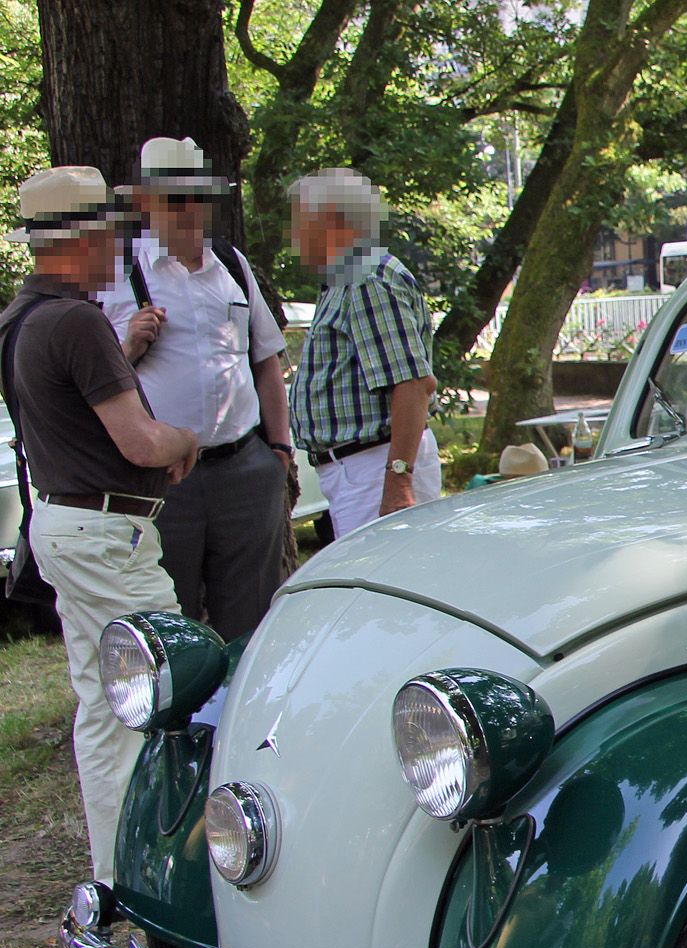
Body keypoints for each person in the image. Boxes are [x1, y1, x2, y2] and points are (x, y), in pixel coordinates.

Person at [0, 167, 198, 881]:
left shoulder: (19, 319)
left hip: (64, 525)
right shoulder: (76, 321)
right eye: (110, 232)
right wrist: (184, 439)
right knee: (175, 677)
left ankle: (119, 869)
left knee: (103, 703)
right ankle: (177, 863)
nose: (118, 246)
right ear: (79, 238)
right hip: (106, 535)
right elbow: (140, 442)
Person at [100, 138, 291, 642]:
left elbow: (266, 360)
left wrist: (279, 450)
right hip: (161, 480)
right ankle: (180, 722)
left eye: (197, 197)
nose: (188, 210)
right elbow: (92, 383)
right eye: (173, 199)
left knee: (252, 624)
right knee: (169, 623)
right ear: (144, 203)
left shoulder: (231, 264)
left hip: (245, 469)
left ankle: (239, 719)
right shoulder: (116, 274)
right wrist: (128, 348)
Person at [286, 168, 438, 538]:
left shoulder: (365, 278)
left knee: (388, 587)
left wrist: (398, 482)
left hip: (375, 466)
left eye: (300, 223)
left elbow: (413, 385)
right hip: (364, 467)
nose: (293, 237)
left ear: (334, 222)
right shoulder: (346, 279)